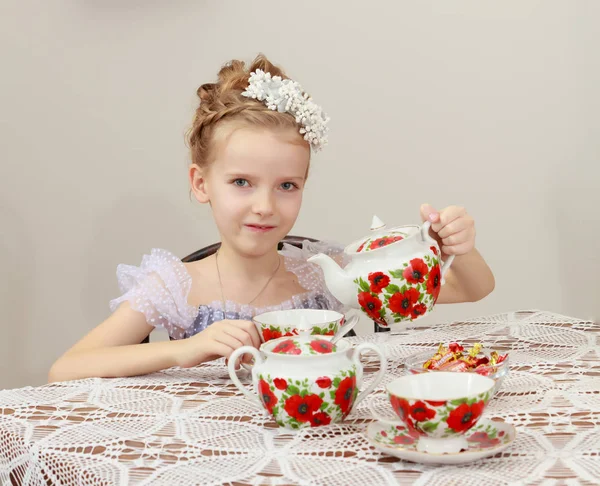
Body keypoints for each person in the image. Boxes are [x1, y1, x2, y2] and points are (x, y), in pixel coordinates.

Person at [48, 54, 494, 383]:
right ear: (201, 184)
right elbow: (66, 368)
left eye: (286, 186)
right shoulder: (176, 286)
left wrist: (458, 247)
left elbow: (473, 289)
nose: (265, 205)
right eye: (242, 182)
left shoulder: (328, 278)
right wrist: (186, 350)